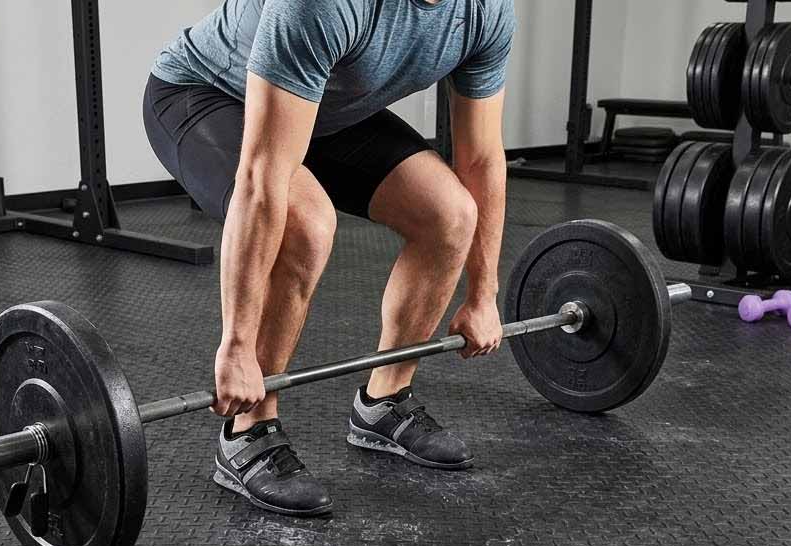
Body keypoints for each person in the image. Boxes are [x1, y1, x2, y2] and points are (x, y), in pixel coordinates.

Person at [145, 0, 516, 517]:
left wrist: (483, 295)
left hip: (324, 111)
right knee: (305, 223)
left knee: (450, 215)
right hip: (209, 95)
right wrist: (237, 346)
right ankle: (248, 429)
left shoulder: (485, 10)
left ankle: (385, 401)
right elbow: (262, 178)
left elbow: (480, 158)